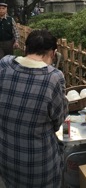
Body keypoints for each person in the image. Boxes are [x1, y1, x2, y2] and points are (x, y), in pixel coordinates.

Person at [0, 29, 68, 187]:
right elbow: (59, 120)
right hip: (39, 165)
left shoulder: (4, 64)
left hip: (6, 156)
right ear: (53, 53)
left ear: (25, 49)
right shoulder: (53, 77)